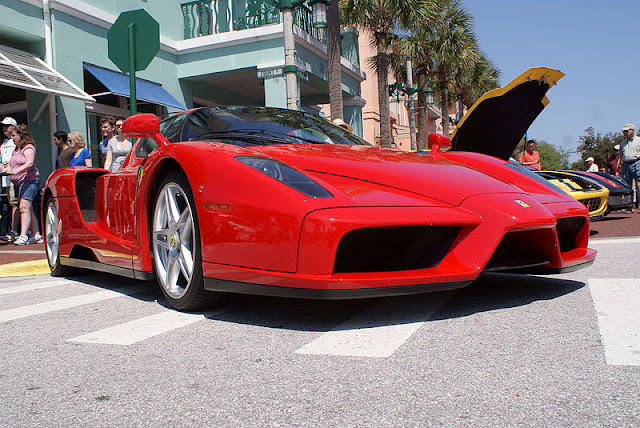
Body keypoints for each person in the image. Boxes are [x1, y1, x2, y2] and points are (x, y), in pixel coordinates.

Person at [4, 126, 42, 245]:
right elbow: (13, 165)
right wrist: (8, 168)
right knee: (28, 208)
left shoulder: (28, 148)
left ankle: (23, 235)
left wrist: (16, 171)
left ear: (21, 136)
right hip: (19, 183)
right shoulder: (16, 150)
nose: (12, 137)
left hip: (29, 181)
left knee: (23, 208)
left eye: (14, 135)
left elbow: (29, 163)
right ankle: (36, 235)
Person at [1, 117, 19, 241]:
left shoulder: (17, 143)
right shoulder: (3, 144)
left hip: (15, 177)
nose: (4, 128)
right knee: (11, 203)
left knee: (15, 204)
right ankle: (13, 230)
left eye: (7, 125)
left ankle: (15, 230)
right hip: (5, 179)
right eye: (3, 126)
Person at [618, 123, 640, 211]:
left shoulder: (638, 140)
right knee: (627, 186)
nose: (625, 133)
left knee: (638, 185)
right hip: (626, 164)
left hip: (637, 162)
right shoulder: (623, 142)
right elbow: (620, 154)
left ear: (632, 131)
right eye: (624, 131)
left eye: (627, 131)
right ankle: (628, 206)